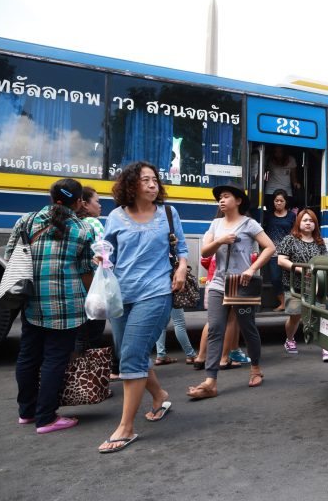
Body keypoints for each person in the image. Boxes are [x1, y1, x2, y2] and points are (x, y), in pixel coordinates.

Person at [97, 162, 189, 453]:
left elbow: (182, 250)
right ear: (131, 185)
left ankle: (126, 428)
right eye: (145, 180)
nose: (152, 185)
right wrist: (100, 257)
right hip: (122, 295)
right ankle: (160, 396)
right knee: (131, 354)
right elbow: (105, 249)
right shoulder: (115, 216)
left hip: (156, 293)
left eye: (155, 180)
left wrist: (182, 269)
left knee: (132, 356)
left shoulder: (169, 214)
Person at [8, 178, 94, 434]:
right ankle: (46, 417)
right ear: (78, 202)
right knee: (55, 359)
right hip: (67, 306)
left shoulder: (26, 220)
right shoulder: (82, 229)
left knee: (28, 355)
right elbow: (86, 270)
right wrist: (96, 299)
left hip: (32, 301)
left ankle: (27, 412)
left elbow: (12, 254)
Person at [187, 184, 275, 399]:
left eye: (226, 197)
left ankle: (255, 368)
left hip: (242, 284)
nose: (222, 200)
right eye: (220, 198)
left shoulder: (249, 223)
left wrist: (252, 269)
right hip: (218, 283)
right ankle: (211, 381)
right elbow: (205, 251)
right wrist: (220, 240)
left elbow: (270, 247)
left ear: (238, 201)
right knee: (216, 328)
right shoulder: (216, 224)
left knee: (247, 328)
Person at [277, 209, 328, 362]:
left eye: (312, 221)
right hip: (294, 286)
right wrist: (301, 270)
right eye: (305, 220)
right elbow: (281, 260)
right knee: (295, 316)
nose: (308, 223)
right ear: (298, 223)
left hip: (316, 285)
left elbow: (325, 261)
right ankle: (290, 340)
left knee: (322, 315)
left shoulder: (319, 242)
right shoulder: (290, 239)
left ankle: (326, 348)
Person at [191, 255, 247, 369]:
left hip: (212, 282)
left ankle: (200, 358)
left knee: (211, 321)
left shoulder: (213, 238)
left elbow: (204, 260)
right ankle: (224, 359)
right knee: (231, 319)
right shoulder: (234, 240)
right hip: (230, 281)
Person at [74, 186, 109, 355]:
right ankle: (89, 377)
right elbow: (104, 254)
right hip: (93, 286)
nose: (100, 206)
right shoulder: (94, 223)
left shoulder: (73, 223)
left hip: (76, 288)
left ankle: (73, 374)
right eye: (97, 201)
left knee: (79, 335)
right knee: (93, 335)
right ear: (86, 205)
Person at [264, 188, 297, 311]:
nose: (278, 203)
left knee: (289, 279)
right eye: (276, 200)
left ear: (285, 202)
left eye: (281, 201)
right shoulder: (268, 216)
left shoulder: (292, 216)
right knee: (275, 278)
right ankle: (282, 302)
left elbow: (295, 232)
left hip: (289, 253)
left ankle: (291, 303)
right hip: (273, 253)